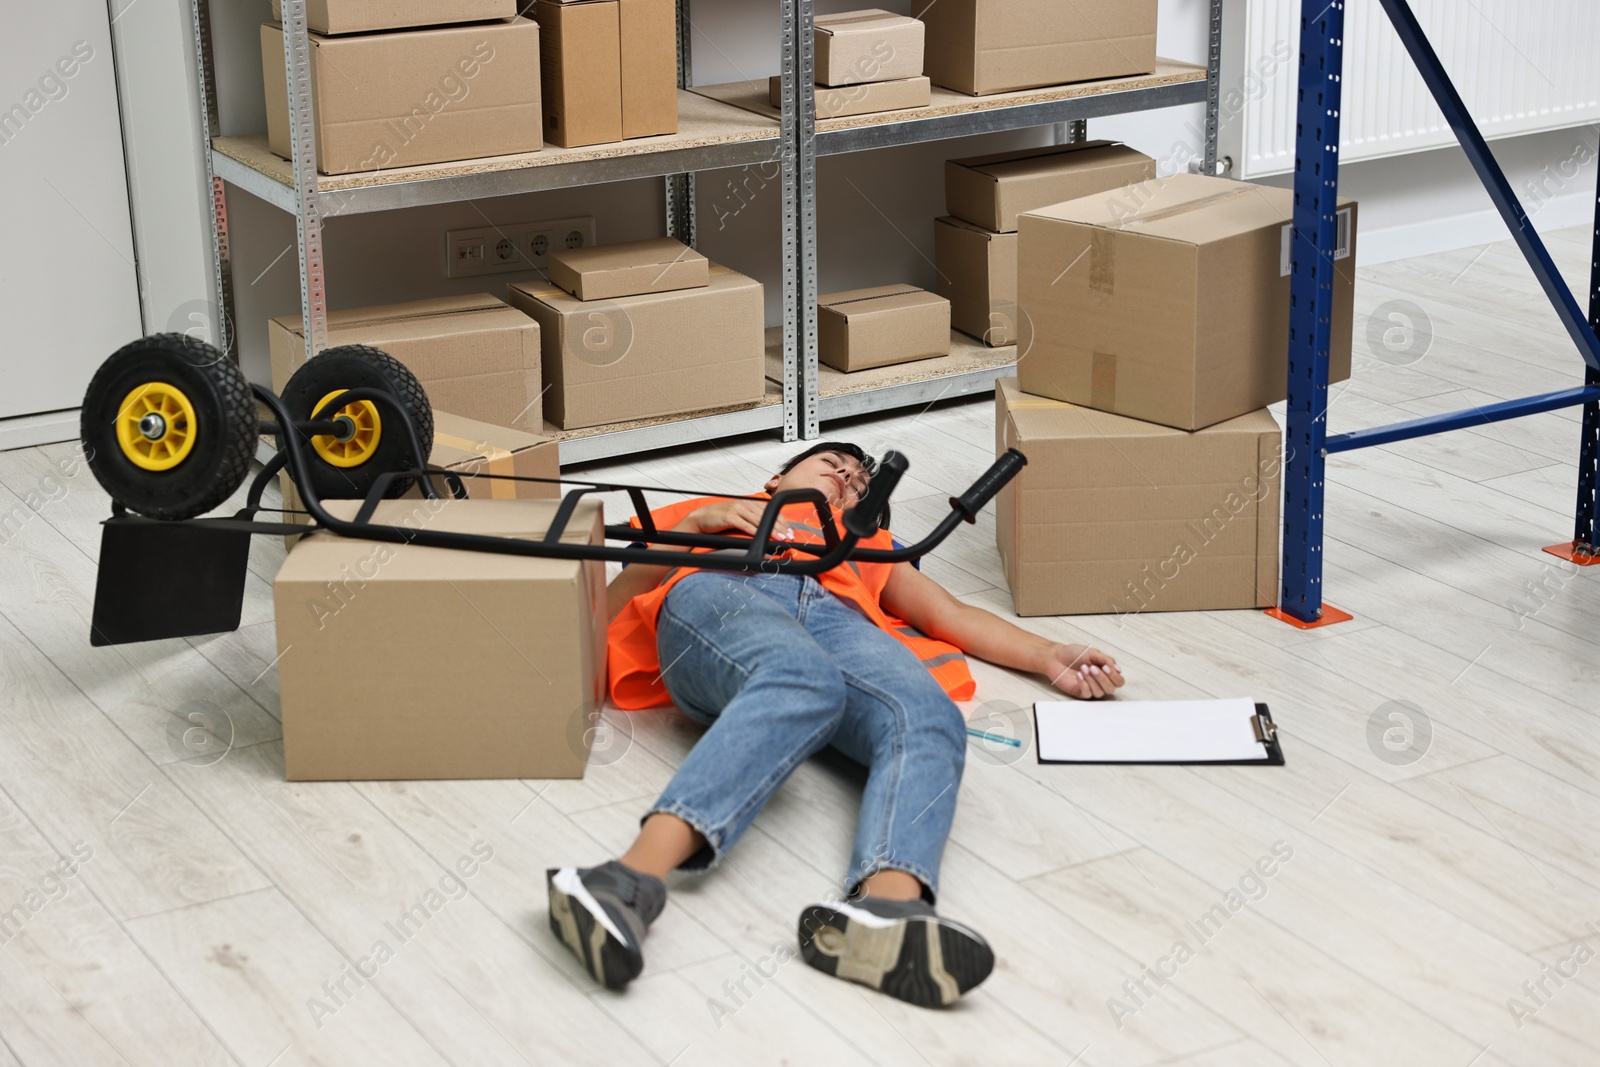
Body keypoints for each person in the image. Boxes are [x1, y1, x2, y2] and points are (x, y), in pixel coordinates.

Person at [547, 442, 1124, 1007]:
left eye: (859, 483)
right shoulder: (721, 509)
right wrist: (702, 520)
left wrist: (1051, 655)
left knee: (926, 715)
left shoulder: (866, 543)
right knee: (803, 679)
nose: (848, 479)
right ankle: (622, 880)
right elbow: (610, 600)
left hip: (834, 622)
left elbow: (950, 615)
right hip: (720, 593)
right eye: (833, 465)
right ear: (775, 480)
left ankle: (887, 912)